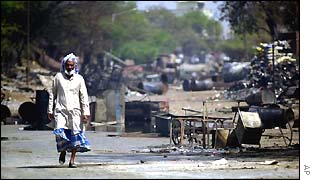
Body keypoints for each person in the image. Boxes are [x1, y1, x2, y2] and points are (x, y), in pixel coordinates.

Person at [47, 53, 91, 168]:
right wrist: (50, 110)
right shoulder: (58, 77)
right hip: (60, 110)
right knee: (60, 132)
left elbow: (84, 96)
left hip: (75, 112)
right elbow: (53, 94)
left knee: (75, 135)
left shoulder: (79, 79)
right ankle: (63, 151)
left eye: (72, 65)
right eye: (67, 65)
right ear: (64, 65)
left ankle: (72, 160)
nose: (69, 67)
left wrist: (86, 112)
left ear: (75, 66)